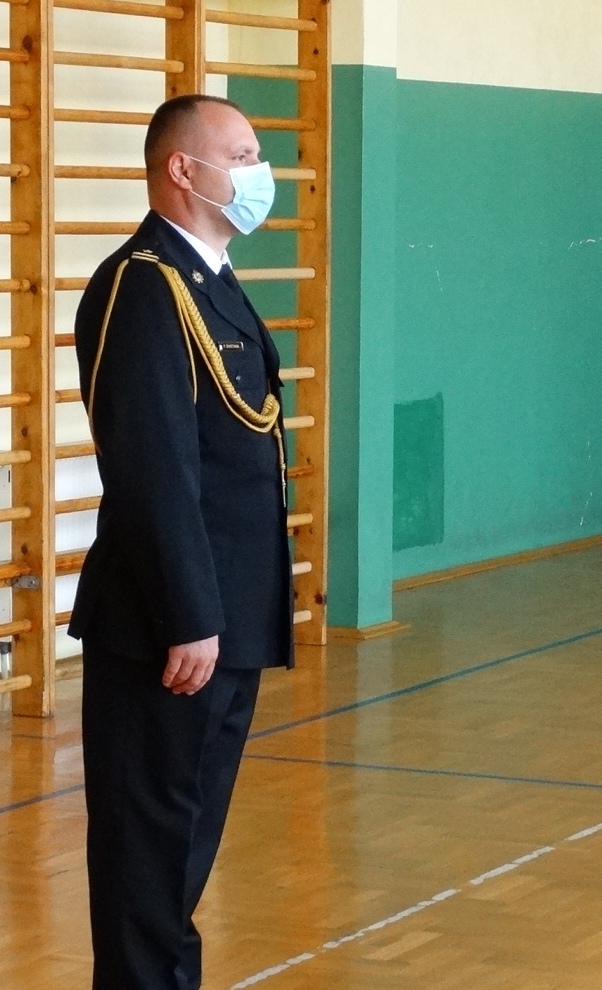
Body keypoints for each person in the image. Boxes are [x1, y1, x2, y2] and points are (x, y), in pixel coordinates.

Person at [72, 93, 292, 989]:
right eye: (240, 157)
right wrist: (190, 614)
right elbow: (153, 465)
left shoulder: (207, 278)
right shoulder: (143, 285)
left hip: (225, 618)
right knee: (149, 853)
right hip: (172, 626)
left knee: (183, 846)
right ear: (182, 169)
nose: (258, 173)